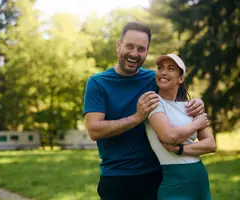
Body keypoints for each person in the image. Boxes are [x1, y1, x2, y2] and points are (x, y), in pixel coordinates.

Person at [83, 21, 205, 200]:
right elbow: (94, 130)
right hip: (116, 179)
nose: (134, 54)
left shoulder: (153, 78)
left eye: (141, 49)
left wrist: (197, 102)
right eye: (129, 46)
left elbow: (179, 98)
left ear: (147, 51)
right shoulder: (98, 83)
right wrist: (137, 117)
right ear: (119, 46)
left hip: (155, 176)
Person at [146, 53, 216, 200]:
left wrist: (180, 149)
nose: (163, 72)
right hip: (174, 180)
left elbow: (210, 144)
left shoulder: (190, 106)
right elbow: (169, 136)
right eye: (160, 68)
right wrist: (196, 124)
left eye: (171, 68)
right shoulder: (154, 102)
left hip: (199, 179)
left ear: (180, 78)